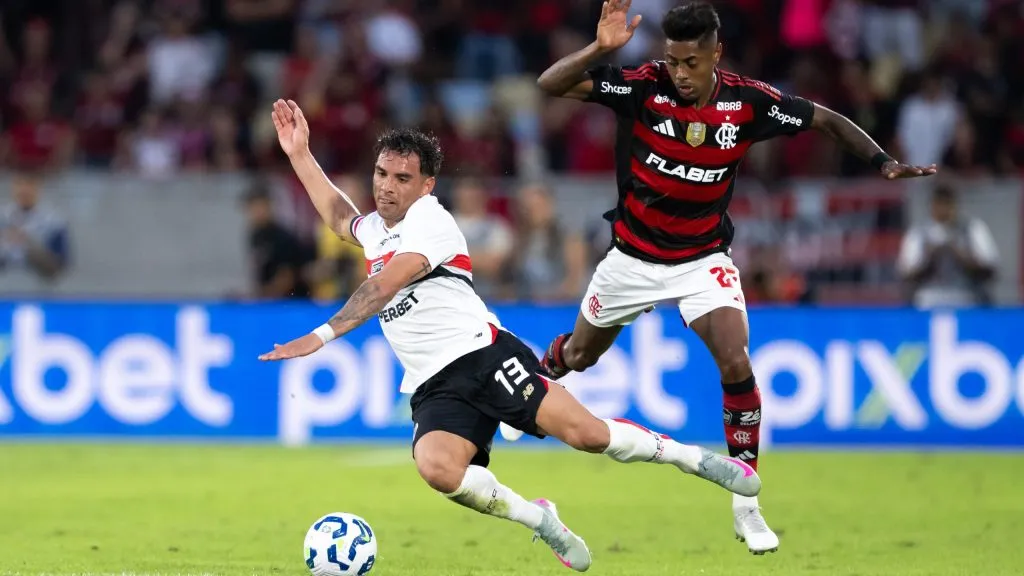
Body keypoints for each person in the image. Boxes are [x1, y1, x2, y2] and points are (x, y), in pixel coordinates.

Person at [259, 99, 762, 572]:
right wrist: (300, 153)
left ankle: (694, 459)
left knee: (588, 436)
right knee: (437, 469)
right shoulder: (376, 229)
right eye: (381, 174)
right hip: (433, 382)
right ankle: (539, 518)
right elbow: (339, 216)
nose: (387, 187)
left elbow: (382, 286)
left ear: (427, 185)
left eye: (402, 178)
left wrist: (321, 336)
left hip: (484, 357)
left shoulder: (430, 222)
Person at [534, 0, 938, 555]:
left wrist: (882, 161)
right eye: (673, 61)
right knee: (580, 356)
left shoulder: (748, 103)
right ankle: (543, 371)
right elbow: (551, 84)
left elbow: (825, 118)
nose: (680, 73)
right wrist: (600, 50)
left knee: (736, 360)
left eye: (691, 63)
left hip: (702, 261)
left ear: (716, 54)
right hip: (631, 259)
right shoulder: (642, 86)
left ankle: (746, 506)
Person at [897, 184, 998, 308]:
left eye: (947, 204)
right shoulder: (919, 232)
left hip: (966, 295)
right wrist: (929, 257)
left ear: (954, 206)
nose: (943, 209)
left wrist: (962, 255)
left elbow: (991, 268)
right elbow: (906, 273)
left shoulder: (972, 228)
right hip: (928, 296)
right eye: (939, 204)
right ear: (932, 206)